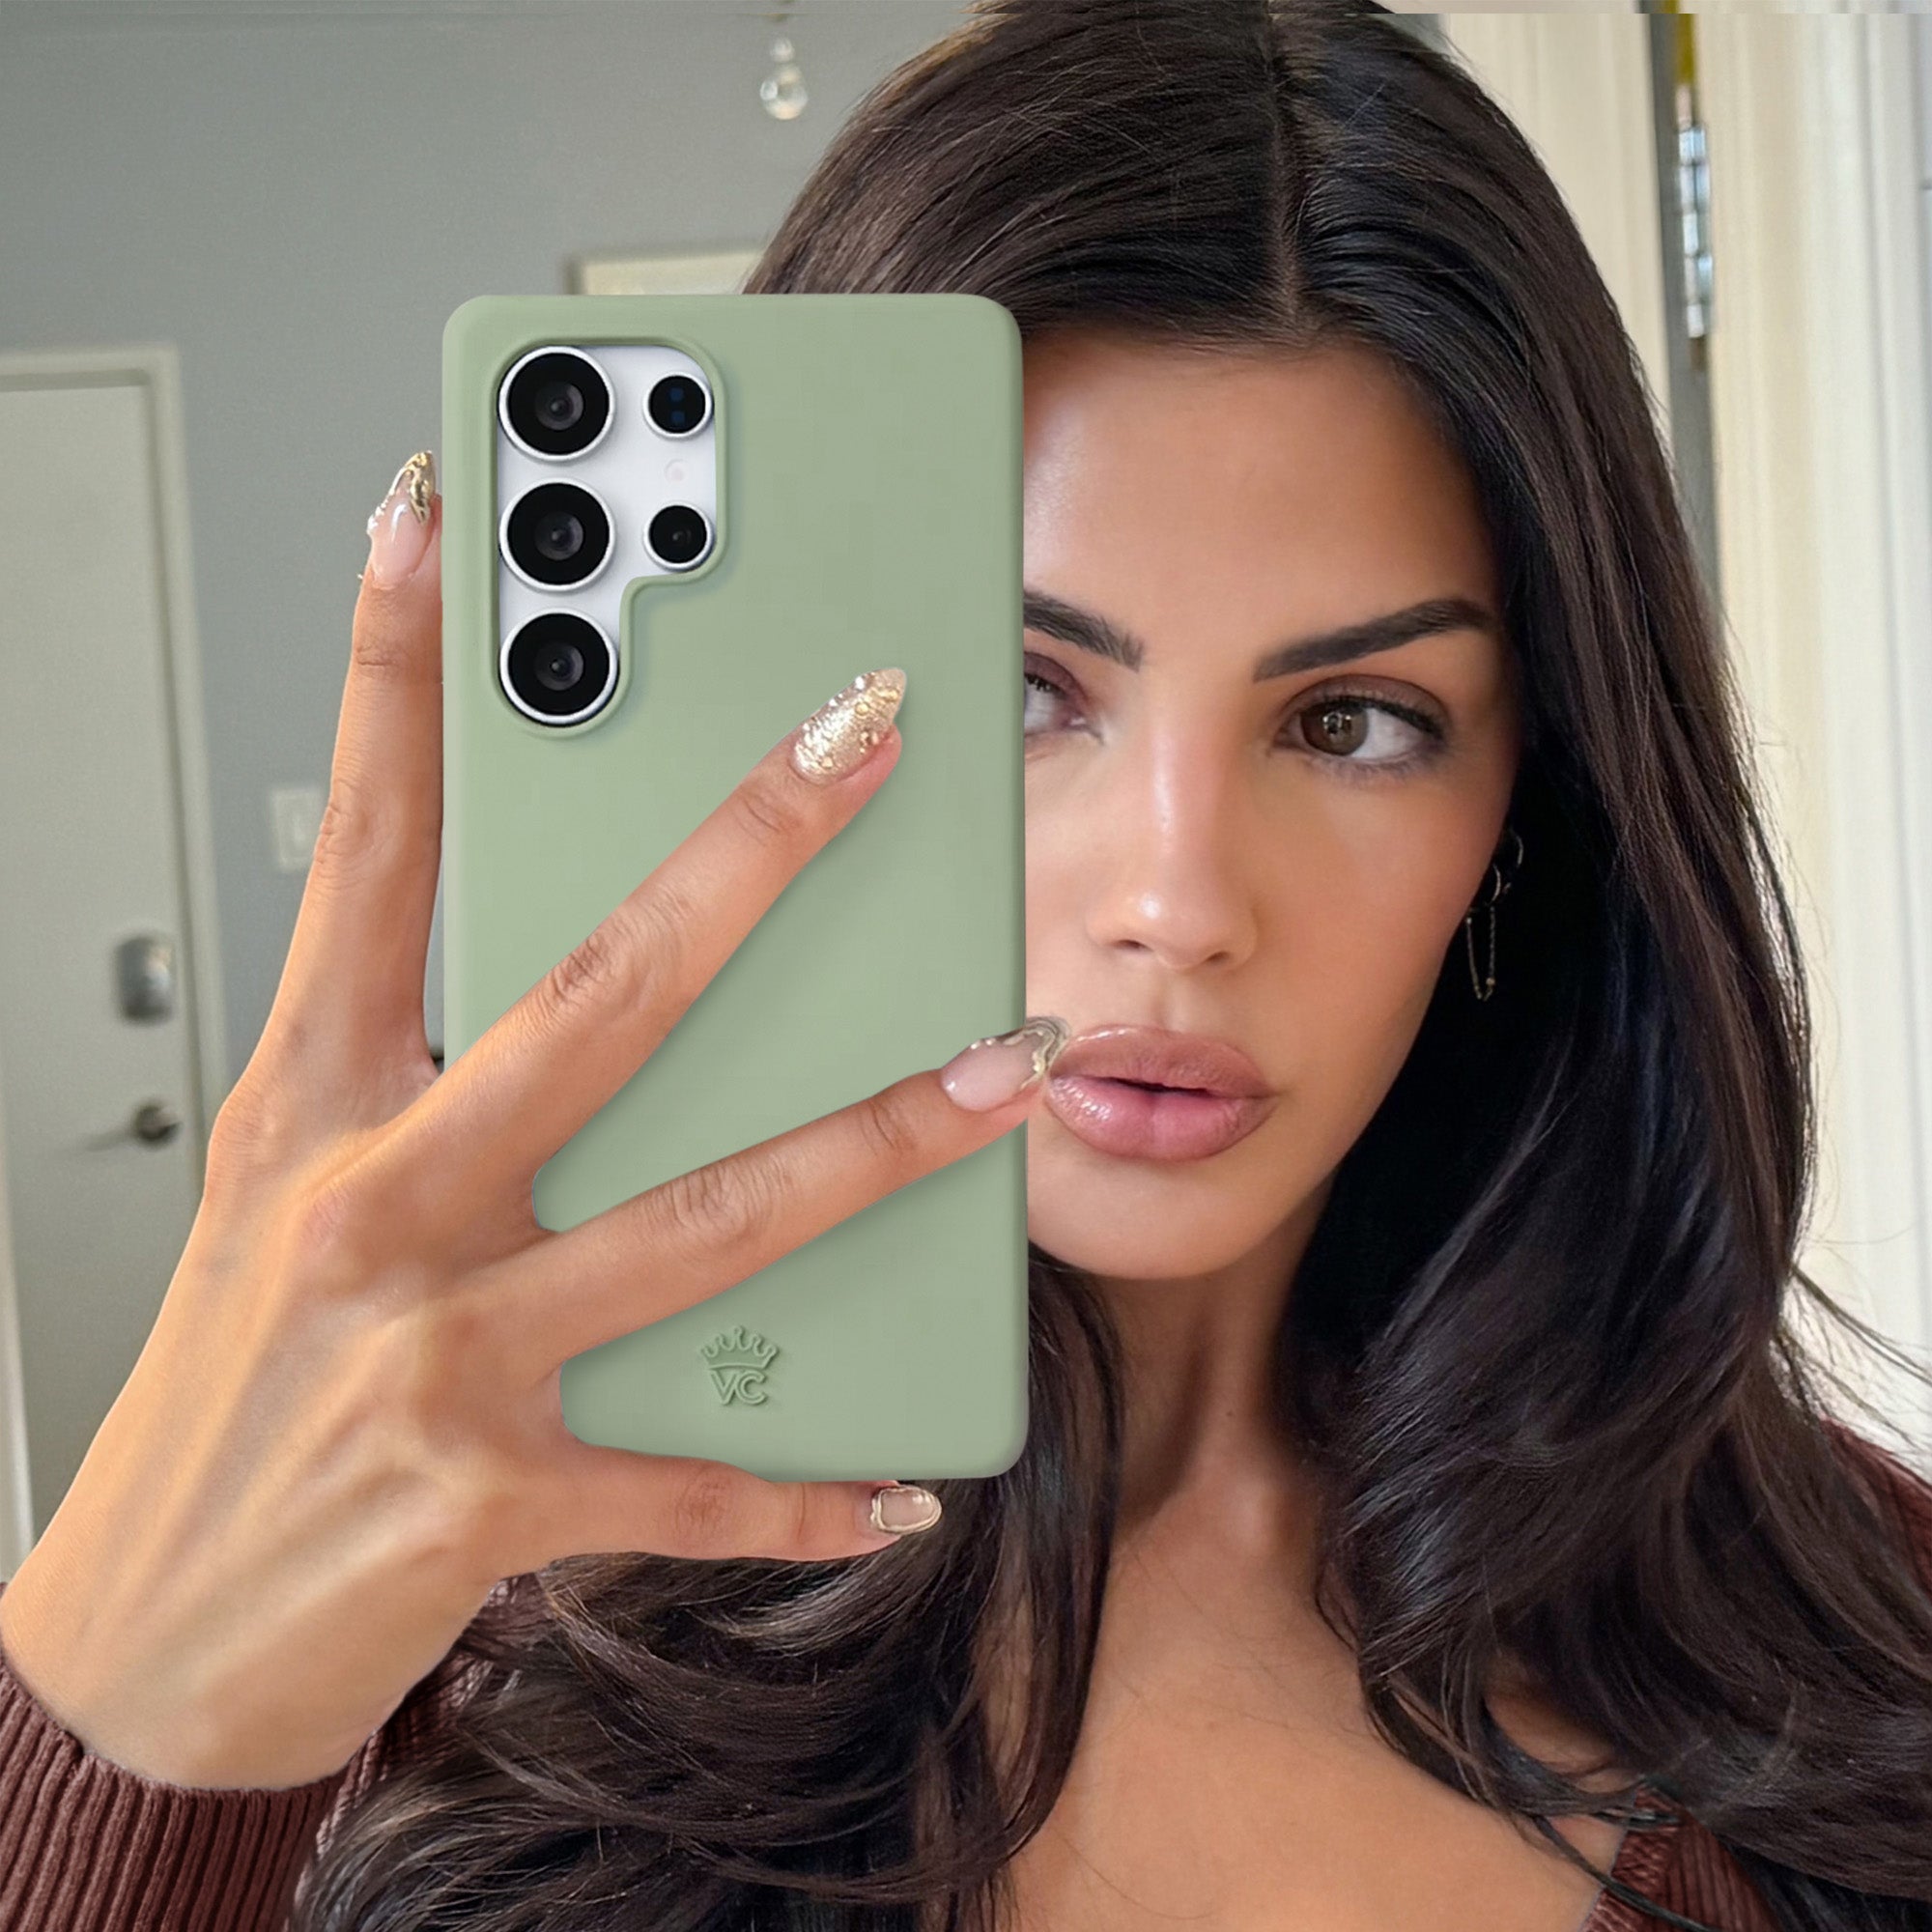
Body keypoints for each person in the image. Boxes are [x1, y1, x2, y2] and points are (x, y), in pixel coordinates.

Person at [4, 1, 1931, 1928]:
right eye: (1026, 688)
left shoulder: (1870, 1635)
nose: (1178, 902)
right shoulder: (450, 1621)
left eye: (1353, 721)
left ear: (1530, 796)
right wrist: (116, 1710)